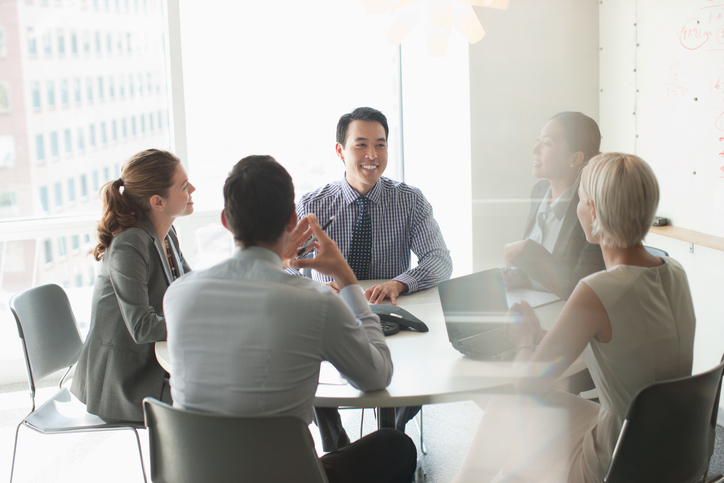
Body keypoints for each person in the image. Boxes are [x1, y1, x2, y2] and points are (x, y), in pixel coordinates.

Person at [163, 155, 417, 483]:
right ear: (292, 220)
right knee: (395, 445)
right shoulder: (316, 301)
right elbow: (376, 376)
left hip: (197, 473)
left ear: (226, 221)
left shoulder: (178, 295)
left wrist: (280, 261)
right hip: (285, 475)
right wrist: (347, 278)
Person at [452, 153, 695, 482]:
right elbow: (629, 341)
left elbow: (528, 385)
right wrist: (542, 334)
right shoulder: (675, 271)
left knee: (509, 404)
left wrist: (525, 342)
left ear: (593, 211)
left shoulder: (597, 290)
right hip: (675, 447)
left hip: (620, 460)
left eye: (580, 201)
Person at [292, 106, 453, 447]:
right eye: (360, 145)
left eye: (380, 145)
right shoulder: (312, 205)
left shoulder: (409, 200)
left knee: (424, 359)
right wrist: (315, 287)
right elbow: (286, 264)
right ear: (340, 151)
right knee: (307, 368)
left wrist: (401, 282)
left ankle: (390, 438)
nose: (372, 155)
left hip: (391, 312)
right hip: (332, 315)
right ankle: (340, 449)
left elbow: (440, 261)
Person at [71, 149, 194, 422]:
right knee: (215, 400)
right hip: (125, 380)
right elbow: (142, 327)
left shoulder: (166, 233)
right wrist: (199, 323)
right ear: (157, 202)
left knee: (223, 390)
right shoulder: (130, 243)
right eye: (184, 186)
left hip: (151, 364)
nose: (193, 189)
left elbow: (191, 286)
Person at [503, 112, 606, 299]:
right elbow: (546, 272)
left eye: (547, 143)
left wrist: (530, 252)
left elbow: (582, 290)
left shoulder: (592, 208)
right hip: (534, 305)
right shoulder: (539, 191)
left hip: (570, 316)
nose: (535, 149)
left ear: (575, 159)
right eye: (538, 140)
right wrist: (521, 277)